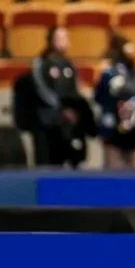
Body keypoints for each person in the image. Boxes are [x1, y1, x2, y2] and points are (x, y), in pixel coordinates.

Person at [26, 26, 95, 168]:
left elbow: (76, 89)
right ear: (51, 41)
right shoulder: (41, 63)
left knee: (72, 162)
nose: (64, 41)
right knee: (47, 165)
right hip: (47, 124)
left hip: (68, 123)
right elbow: (41, 89)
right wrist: (60, 109)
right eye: (60, 38)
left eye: (66, 38)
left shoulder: (69, 64)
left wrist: (74, 110)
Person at [94, 33, 135, 169]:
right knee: (114, 175)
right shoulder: (108, 71)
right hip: (113, 131)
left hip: (134, 132)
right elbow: (100, 96)